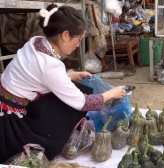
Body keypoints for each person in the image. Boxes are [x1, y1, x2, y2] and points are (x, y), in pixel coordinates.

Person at [0, 4, 127, 163]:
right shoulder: (50, 65)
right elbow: (83, 103)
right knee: (73, 104)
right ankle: (50, 143)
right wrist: (112, 94)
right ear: (65, 35)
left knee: (77, 88)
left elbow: (40, 75)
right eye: (78, 39)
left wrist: (70, 75)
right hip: (11, 126)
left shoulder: (36, 42)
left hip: (7, 107)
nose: (78, 44)